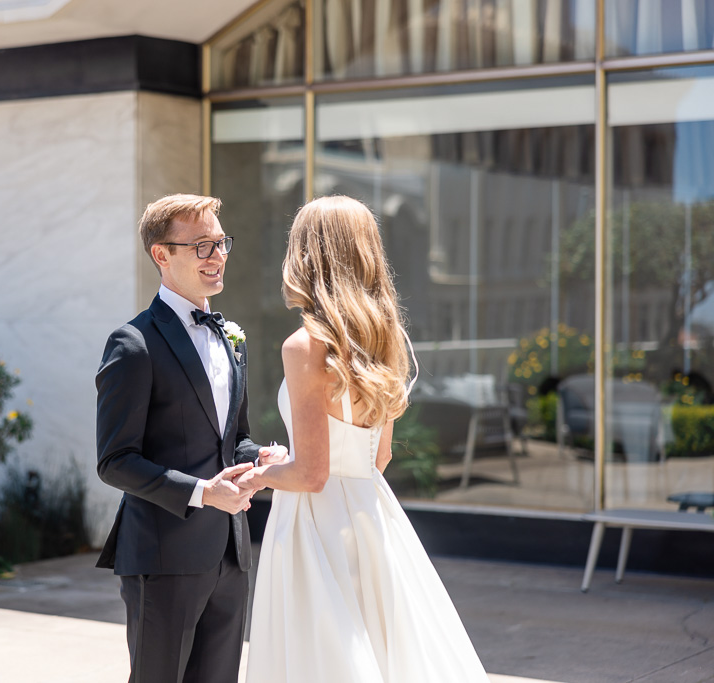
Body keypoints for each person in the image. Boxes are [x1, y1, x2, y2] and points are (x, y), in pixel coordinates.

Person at [238, 195, 491, 682]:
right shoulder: (384, 336)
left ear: (306, 254)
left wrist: (257, 475)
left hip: (314, 526)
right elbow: (379, 455)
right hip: (371, 514)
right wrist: (292, 459)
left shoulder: (306, 344)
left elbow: (311, 476)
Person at [95, 193, 287, 683]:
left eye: (221, 243)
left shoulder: (230, 337)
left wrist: (257, 458)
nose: (218, 255)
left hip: (232, 553)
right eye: (202, 246)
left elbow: (231, 439)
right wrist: (204, 493)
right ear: (163, 254)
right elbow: (115, 460)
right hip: (163, 558)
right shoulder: (134, 344)